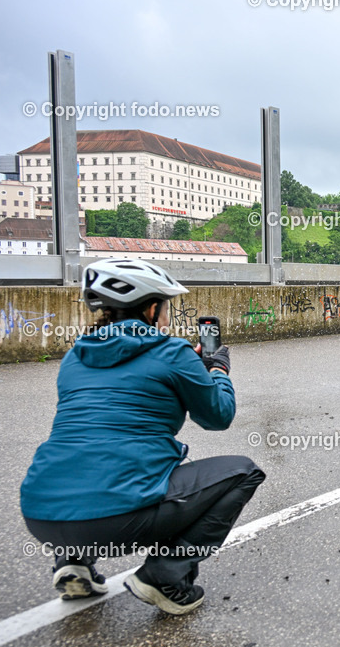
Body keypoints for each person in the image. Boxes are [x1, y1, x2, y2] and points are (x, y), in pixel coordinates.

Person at [20, 258, 265, 615]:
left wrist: (186, 366)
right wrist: (217, 370)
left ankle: (72, 563)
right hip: (117, 521)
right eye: (166, 305)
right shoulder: (172, 353)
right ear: (151, 308)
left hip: (41, 515)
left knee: (84, 457)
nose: (167, 313)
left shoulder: (75, 357)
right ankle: (165, 576)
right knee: (244, 472)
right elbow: (218, 416)